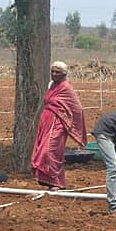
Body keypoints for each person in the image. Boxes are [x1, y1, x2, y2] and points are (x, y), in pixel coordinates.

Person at [30, 61, 87, 190]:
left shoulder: (66, 88)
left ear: (64, 74)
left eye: (58, 72)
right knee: (41, 149)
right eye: (52, 71)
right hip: (46, 122)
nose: (54, 74)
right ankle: (48, 180)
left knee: (50, 151)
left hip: (58, 123)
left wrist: (68, 121)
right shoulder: (51, 85)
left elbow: (77, 107)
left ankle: (56, 181)